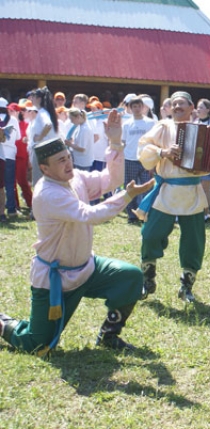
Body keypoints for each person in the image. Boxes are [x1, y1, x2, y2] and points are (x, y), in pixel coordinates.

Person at [0, 111, 154, 356]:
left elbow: (110, 179)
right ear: (44, 169)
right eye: (60, 161)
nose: (68, 163)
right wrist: (127, 197)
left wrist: (115, 142)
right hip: (55, 279)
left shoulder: (75, 178)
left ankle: (109, 335)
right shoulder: (47, 193)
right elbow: (90, 215)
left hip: (86, 268)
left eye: (68, 157)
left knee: (131, 277)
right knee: (38, 346)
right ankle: (3, 324)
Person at [135, 91, 210, 303]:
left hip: (192, 194)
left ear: (191, 107)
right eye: (174, 103)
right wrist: (163, 153)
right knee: (150, 234)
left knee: (193, 242)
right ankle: (147, 280)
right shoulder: (163, 126)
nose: (177, 107)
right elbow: (143, 148)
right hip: (166, 192)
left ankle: (186, 287)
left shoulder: (203, 131)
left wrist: (199, 169)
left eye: (182, 104)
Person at [122, 96, 155, 224]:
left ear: (143, 107)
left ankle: (145, 213)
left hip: (145, 159)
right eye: (134, 106)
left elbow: (154, 141)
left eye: (138, 106)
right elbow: (123, 142)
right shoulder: (126, 124)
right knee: (130, 188)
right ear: (130, 108)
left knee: (147, 187)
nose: (136, 109)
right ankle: (132, 215)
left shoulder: (150, 123)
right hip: (130, 159)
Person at [0, 97, 20, 220]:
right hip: (10, 153)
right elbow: (18, 136)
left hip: (1, 153)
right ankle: (11, 209)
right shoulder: (12, 119)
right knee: (9, 184)